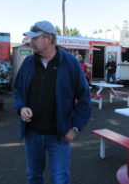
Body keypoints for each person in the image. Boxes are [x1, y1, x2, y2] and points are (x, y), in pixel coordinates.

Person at [13, 20, 91, 184]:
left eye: (35, 38)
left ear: (48, 38)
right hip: (32, 134)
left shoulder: (70, 63)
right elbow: (18, 90)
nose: (31, 41)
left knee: (60, 179)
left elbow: (84, 97)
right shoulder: (28, 62)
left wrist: (76, 128)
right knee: (34, 177)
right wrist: (21, 108)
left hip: (59, 135)